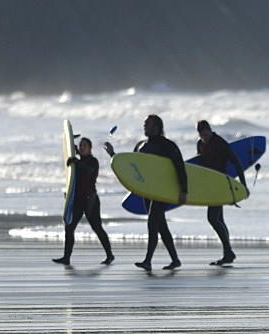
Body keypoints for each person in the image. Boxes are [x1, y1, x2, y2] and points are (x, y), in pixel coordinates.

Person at [105, 114, 186, 271]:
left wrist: (183, 190)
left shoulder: (168, 146)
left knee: (152, 223)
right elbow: (132, 168)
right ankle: (175, 260)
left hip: (163, 190)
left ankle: (148, 260)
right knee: (160, 225)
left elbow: (180, 168)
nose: (145, 126)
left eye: (147, 124)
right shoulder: (140, 146)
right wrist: (113, 155)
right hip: (147, 191)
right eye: (144, 124)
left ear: (157, 127)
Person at [54, 137, 113, 266]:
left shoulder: (93, 161)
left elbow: (89, 170)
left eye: (84, 145)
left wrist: (76, 161)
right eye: (80, 145)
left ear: (90, 148)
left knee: (97, 227)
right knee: (69, 227)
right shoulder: (76, 162)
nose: (82, 147)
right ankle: (66, 257)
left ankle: (109, 255)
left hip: (90, 199)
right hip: (78, 200)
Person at [196, 120, 247, 266]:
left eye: (206, 134)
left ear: (210, 130)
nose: (204, 138)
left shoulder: (220, 143)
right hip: (210, 186)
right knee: (219, 219)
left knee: (212, 218)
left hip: (221, 185)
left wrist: (243, 185)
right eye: (201, 135)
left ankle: (229, 251)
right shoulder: (200, 144)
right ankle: (227, 254)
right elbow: (199, 166)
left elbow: (236, 163)